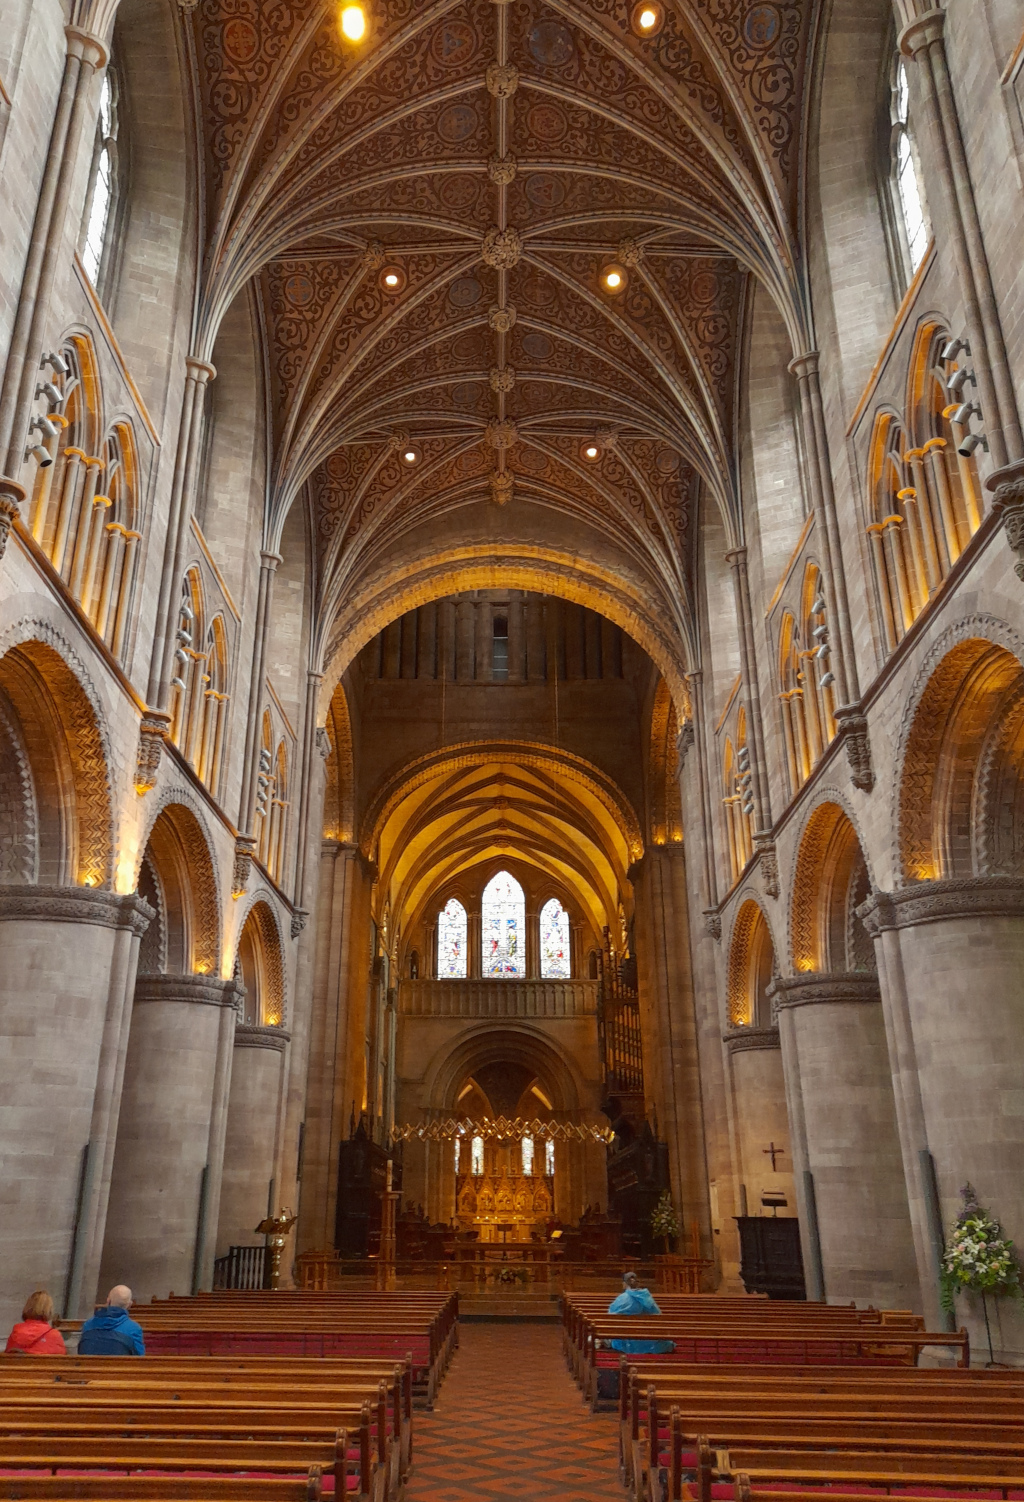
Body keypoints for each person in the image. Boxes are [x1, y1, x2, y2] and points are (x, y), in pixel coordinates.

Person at [606, 1270, 675, 1354]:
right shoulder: (647, 1298)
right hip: (649, 1340)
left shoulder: (622, 1299)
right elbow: (658, 1315)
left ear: (624, 1284)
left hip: (627, 1342)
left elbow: (610, 1317)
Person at [78, 1285, 145, 1356]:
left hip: (89, 1366)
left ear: (108, 1300)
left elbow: (81, 1351)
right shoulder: (134, 1329)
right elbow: (139, 1358)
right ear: (129, 1305)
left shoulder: (88, 1325)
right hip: (119, 1366)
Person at [5, 1290, 66, 1355]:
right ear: (49, 1310)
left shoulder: (16, 1331)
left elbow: (8, 1354)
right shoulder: (54, 1335)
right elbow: (62, 1360)